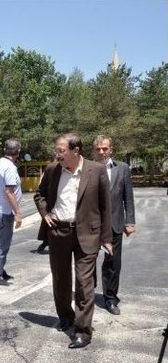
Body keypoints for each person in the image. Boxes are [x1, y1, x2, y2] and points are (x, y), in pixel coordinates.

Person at [34, 133, 112, 349]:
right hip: (58, 231)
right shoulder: (52, 170)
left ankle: (82, 330)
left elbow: (106, 206)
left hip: (88, 233)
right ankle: (66, 318)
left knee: (84, 282)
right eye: (57, 150)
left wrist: (107, 238)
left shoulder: (95, 170)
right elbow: (39, 195)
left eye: (61, 151)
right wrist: (45, 214)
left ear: (75, 151)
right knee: (61, 279)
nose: (57, 155)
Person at [92, 135, 135, 315]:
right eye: (98, 149)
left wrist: (130, 221)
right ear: (94, 150)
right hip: (92, 226)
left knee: (112, 264)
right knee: (87, 262)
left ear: (111, 149)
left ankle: (110, 299)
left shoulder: (122, 168)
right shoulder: (88, 168)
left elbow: (128, 197)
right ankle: (87, 295)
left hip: (115, 224)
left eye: (105, 148)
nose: (102, 152)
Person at [0, 139, 23, 285]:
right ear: (18, 151)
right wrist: (18, 213)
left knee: (0, 242)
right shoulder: (9, 167)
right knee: (2, 244)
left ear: (4, 150)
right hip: (4, 211)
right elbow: (9, 191)